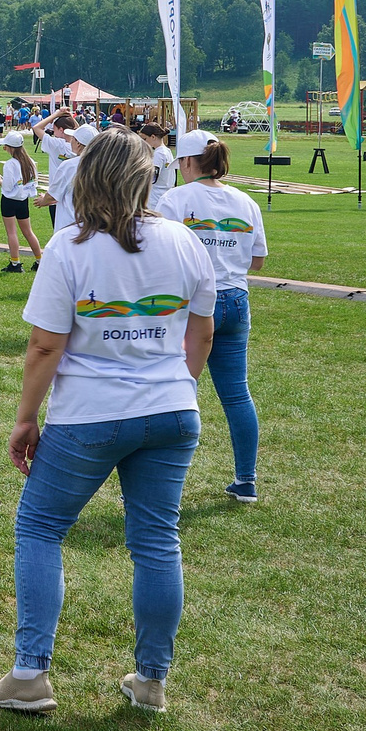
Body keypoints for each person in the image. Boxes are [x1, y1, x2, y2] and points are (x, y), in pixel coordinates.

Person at [0, 128, 215, 716]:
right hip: (172, 410)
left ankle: (31, 673)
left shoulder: (68, 248)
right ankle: (151, 680)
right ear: (146, 177)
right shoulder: (184, 242)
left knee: (39, 527)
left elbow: (43, 347)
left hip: (90, 415)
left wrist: (25, 418)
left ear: (86, 178)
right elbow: (202, 332)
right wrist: (173, 385)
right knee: (158, 542)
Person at [160, 129, 269, 501]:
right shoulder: (245, 201)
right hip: (236, 299)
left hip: (191, 303)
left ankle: (156, 484)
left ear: (188, 162)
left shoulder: (175, 199)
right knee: (237, 395)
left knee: (172, 391)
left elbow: (158, 254)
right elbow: (258, 259)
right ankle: (246, 479)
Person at [0, 130, 42, 272]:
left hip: (9, 200)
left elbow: (7, 186)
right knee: (28, 231)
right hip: (23, 199)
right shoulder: (30, 162)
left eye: (6, 146)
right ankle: (39, 260)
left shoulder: (10, 164)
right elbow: (33, 182)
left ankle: (15, 263)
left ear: (10, 147)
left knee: (12, 232)